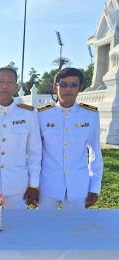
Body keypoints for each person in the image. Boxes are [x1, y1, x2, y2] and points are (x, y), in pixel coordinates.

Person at [0, 67, 42, 209]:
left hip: (17, 184)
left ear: (16, 87)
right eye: (0, 82)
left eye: (9, 82)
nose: (5, 86)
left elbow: (34, 152)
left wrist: (33, 184)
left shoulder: (28, 114)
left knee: (18, 226)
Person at [37, 67, 103, 209]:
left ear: (80, 87)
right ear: (55, 87)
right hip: (48, 184)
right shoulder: (41, 114)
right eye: (63, 84)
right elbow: (35, 152)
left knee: (76, 228)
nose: (68, 89)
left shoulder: (90, 114)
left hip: (78, 185)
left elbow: (95, 152)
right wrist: (33, 184)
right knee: (44, 226)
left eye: (73, 85)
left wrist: (94, 187)